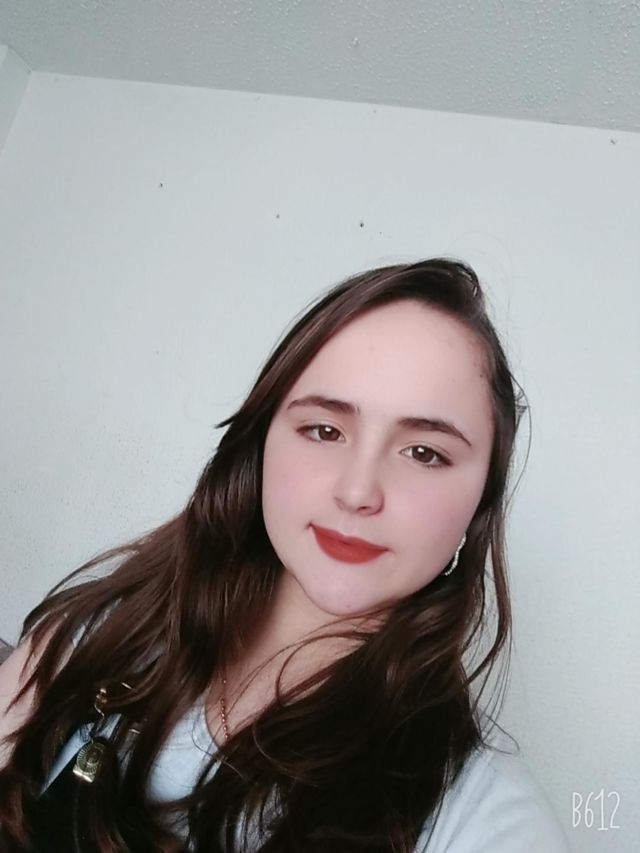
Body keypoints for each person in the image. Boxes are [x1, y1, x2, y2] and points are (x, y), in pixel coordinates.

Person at [0, 258, 571, 852]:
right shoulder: (108, 629)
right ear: (261, 442)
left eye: (424, 453)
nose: (357, 491)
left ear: (480, 503)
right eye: (325, 430)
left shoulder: (489, 823)